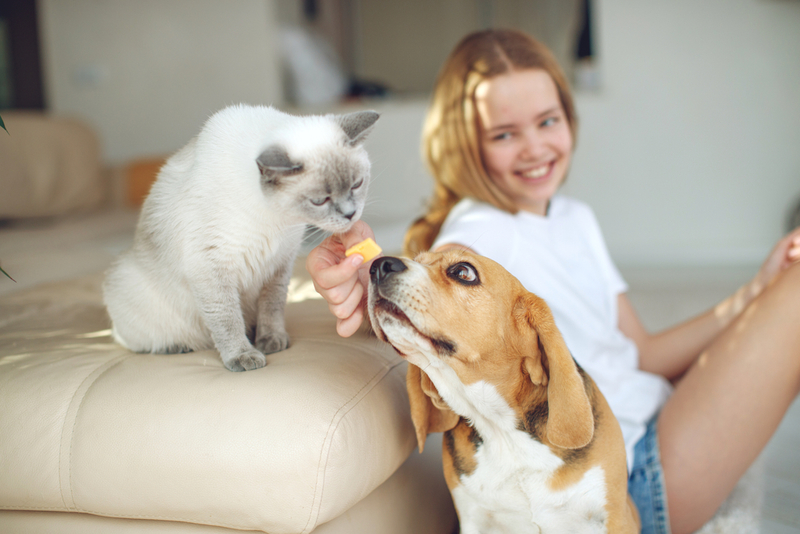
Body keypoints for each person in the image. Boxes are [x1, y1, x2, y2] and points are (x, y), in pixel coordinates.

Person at [306, 29, 800, 534]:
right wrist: (366, 278)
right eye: (504, 134)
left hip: (653, 411)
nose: (534, 147)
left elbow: (644, 353)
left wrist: (755, 293)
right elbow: (434, 294)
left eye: (548, 121)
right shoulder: (479, 230)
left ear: (569, 119)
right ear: (466, 147)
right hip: (627, 472)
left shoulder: (574, 217)